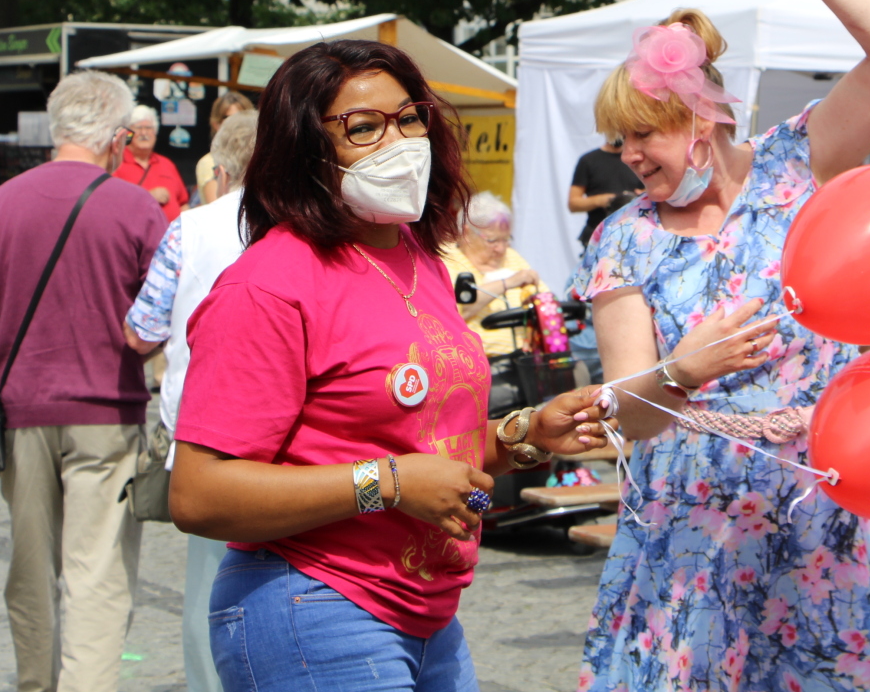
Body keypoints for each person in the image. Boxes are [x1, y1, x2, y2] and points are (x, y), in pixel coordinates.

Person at [573, 0, 870, 691]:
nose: (627, 155)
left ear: (704, 116)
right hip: (699, 527)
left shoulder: (795, 161)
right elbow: (622, 411)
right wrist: (681, 370)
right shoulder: (624, 235)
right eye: (617, 140)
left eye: (643, 133)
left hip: (835, 500)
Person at [166, 39, 607, 692]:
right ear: (305, 148)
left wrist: (524, 436)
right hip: (313, 603)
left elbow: (428, 450)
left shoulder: (417, 257)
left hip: (428, 616)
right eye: (364, 126)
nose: (399, 141)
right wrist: (388, 483)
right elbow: (199, 494)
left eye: (410, 118)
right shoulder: (270, 283)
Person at [0, 70, 168, 692]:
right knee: (97, 572)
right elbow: (166, 313)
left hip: (20, 412)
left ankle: (37, 683)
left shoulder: (2, 202)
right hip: (107, 415)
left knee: (31, 570)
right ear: (117, 139)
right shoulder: (137, 207)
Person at [122, 109, 258, 692]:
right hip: (299, 437)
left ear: (222, 172)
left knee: (210, 582)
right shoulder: (317, 226)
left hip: (207, 430)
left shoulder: (190, 227)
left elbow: (141, 332)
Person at [440, 191, 550, 357]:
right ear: (466, 234)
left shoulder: (511, 257)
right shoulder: (447, 261)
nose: (501, 248)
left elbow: (545, 298)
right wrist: (508, 283)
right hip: (479, 362)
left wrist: (536, 301)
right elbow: (460, 310)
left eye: (506, 239)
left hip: (525, 358)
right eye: (492, 240)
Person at [114, 104, 189, 221]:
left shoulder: (167, 164)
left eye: (149, 128)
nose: (144, 133)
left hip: (171, 236)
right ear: (128, 134)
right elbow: (110, 204)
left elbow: (183, 204)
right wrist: (148, 196)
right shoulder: (116, 163)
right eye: (138, 128)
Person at [569, 137, 643, 247]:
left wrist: (642, 196)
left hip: (633, 235)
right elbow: (573, 203)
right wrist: (602, 201)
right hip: (598, 236)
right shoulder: (588, 160)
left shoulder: (636, 159)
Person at [194, 90, 254, 205]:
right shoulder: (209, 162)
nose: (238, 124)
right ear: (216, 124)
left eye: (242, 117)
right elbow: (216, 206)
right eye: (230, 118)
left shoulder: (261, 156)